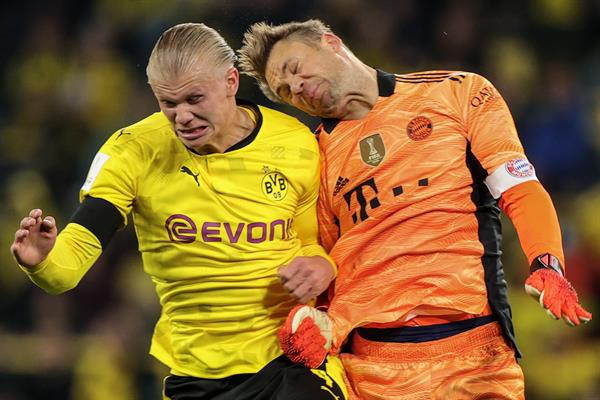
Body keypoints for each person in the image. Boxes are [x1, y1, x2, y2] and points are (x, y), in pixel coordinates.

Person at [237, 19, 593, 399]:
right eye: (285, 91)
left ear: (331, 42)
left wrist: (547, 262)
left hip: (476, 358)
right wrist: (320, 326)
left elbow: (519, 187)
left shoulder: (456, 92)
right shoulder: (312, 158)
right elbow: (323, 263)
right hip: (374, 370)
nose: (297, 88)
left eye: (294, 69)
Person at [10, 22, 347, 400]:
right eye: (168, 104)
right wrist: (42, 262)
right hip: (196, 374)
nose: (181, 116)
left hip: (290, 360)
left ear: (231, 82)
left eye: (194, 99)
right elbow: (66, 268)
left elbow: (308, 242)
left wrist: (322, 264)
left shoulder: (296, 142)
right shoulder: (132, 152)